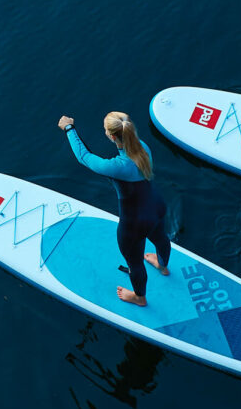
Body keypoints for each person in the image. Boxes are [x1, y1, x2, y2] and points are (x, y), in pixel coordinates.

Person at [58, 112, 171, 307]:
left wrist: (69, 128)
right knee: (161, 238)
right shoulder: (143, 147)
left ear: (111, 136)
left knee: (135, 263)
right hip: (157, 207)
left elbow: (84, 157)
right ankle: (163, 266)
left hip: (134, 224)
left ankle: (139, 298)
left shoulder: (117, 167)